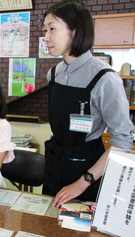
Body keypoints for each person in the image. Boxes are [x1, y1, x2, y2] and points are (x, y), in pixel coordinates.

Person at [42, 0, 134, 207]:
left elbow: (123, 142)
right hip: (55, 165)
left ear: (75, 30)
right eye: (45, 30)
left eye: (52, 29)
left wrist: (83, 183)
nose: (46, 37)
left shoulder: (105, 79)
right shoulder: (53, 74)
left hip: (87, 173)